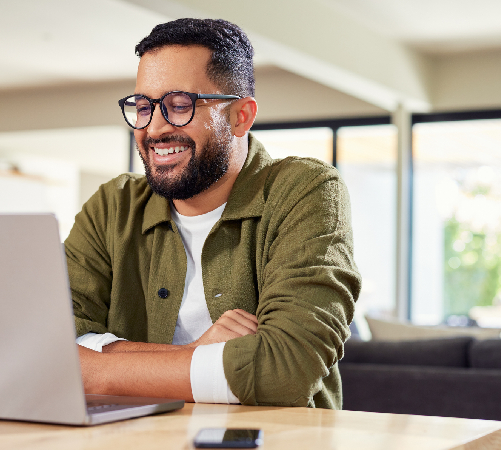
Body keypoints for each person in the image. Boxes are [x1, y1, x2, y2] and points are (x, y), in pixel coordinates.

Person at [66, 18, 361, 409]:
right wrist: (197, 355)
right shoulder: (112, 206)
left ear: (241, 116)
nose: (154, 129)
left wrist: (95, 371)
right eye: (144, 107)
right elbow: (47, 341)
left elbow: (286, 368)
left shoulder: (305, 190)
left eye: (180, 106)